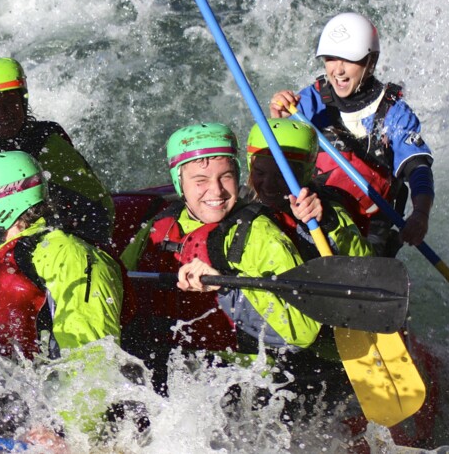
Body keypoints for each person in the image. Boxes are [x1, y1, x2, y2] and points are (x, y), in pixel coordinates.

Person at [119, 123, 321, 395]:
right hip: (163, 361)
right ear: (179, 182)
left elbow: (302, 332)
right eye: (200, 181)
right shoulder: (160, 226)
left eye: (225, 177)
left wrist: (227, 287)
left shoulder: (260, 234)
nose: (216, 191)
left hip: (241, 376)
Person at [0, 151, 139, 440]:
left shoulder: (69, 256)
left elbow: (93, 356)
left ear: (0, 210)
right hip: (10, 404)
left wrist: (65, 432)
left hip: (75, 423)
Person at [270, 12, 434, 257]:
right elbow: (279, 156)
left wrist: (420, 215)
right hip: (314, 208)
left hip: (368, 227)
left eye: (349, 60)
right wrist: (278, 119)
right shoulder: (312, 99)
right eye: (331, 59)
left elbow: (419, 169)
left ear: (371, 61)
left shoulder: (393, 113)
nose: (338, 70)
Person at [0, 58, 115, 246]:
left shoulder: (46, 141)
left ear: (23, 102)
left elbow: (94, 205)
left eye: (10, 103)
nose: (2, 113)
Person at [246, 118, 373, 260]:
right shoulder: (240, 202)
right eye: (259, 173)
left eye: (280, 175)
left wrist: (326, 222)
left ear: (304, 174)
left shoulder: (329, 209)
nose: (268, 184)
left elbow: (364, 262)